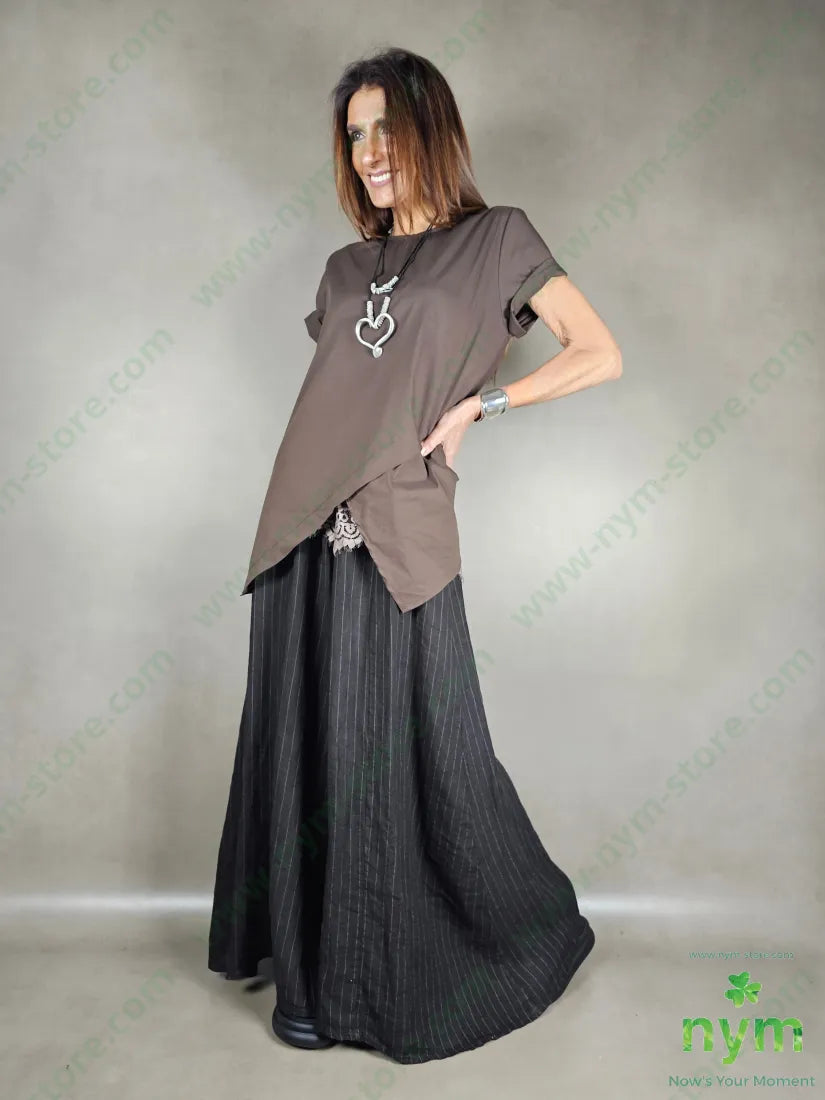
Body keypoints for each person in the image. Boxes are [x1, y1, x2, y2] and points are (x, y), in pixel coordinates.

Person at [207, 46, 621, 1066]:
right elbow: (347, 393)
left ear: (431, 126)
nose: (368, 151)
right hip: (297, 525)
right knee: (305, 740)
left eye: (385, 127)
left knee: (399, 754)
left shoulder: (498, 239)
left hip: (399, 527)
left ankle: (390, 973)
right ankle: (307, 975)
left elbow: (598, 351)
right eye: (354, 135)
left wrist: (484, 405)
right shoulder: (345, 271)